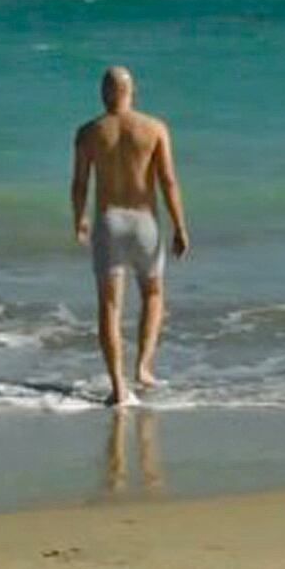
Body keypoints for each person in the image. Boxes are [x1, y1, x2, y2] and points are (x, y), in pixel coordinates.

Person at [71, 65, 189, 406]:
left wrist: (79, 218)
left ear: (103, 93)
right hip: (144, 221)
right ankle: (143, 368)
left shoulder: (89, 133)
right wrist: (180, 225)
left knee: (109, 305)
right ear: (131, 91)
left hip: (109, 221)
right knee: (153, 294)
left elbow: (80, 183)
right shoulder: (153, 128)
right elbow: (168, 181)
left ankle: (118, 388)